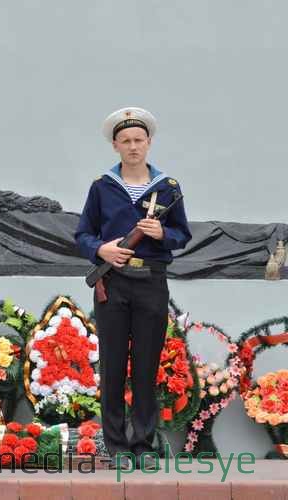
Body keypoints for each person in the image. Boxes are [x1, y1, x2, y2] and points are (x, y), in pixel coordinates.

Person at [75, 107, 191, 470]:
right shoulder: (102, 186)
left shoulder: (168, 188)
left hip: (152, 283)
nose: (133, 146)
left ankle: (142, 443)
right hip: (112, 284)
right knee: (112, 365)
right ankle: (116, 445)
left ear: (149, 142)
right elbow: (82, 234)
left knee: (146, 365)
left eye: (139, 140)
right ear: (115, 145)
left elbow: (182, 235)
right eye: (125, 140)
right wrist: (100, 250)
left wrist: (162, 234)